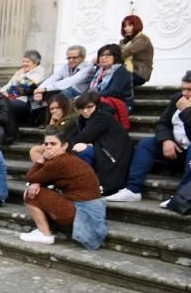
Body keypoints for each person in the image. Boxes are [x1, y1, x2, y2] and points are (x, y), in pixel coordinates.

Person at [107, 72, 191, 204]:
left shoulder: (183, 105)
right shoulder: (178, 99)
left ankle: (181, 197)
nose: (185, 93)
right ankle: (133, 190)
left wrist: (186, 110)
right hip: (177, 150)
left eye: (189, 90)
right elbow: (163, 123)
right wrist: (166, 140)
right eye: (183, 89)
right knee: (146, 144)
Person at [20, 130, 104, 245]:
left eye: (53, 144)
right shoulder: (68, 157)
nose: (48, 147)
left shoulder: (59, 162)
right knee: (38, 188)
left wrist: (41, 160)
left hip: (82, 212)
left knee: (31, 194)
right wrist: (37, 182)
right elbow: (37, 178)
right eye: (46, 144)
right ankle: (45, 230)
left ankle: (45, 234)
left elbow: (30, 177)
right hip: (89, 210)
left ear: (64, 146)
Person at [69, 90, 133, 195]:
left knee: (80, 149)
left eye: (89, 107)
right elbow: (72, 136)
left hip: (113, 156)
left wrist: (88, 144)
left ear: (97, 105)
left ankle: (84, 184)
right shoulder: (84, 119)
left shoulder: (103, 116)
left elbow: (83, 137)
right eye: (81, 108)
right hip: (103, 151)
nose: (85, 111)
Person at [1, 49, 46, 125]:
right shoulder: (20, 72)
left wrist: (7, 93)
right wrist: (3, 91)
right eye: (23, 61)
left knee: (4, 104)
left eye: (28, 62)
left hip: (28, 103)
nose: (24, 64)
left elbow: (23, 87)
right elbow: (7, 86)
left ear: (36, 63)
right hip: (14, 99)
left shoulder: (40, 72)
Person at [89, 43, 134, 111]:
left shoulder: (121, 71)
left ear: (116, 57)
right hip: (100, 100)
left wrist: (90, 96)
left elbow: (113, 92)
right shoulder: (99, 70)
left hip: (119, 103)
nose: (104, 57)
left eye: (108, 55)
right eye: (101, 55)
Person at [120, 15, 153, 86]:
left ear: (137, 25)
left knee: (117, 78)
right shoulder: (125, 41)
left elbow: (124, 53)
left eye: (130, 25)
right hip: (126, 71)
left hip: (139, 73)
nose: (126, 28)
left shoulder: (142, 39)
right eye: (125, 26)